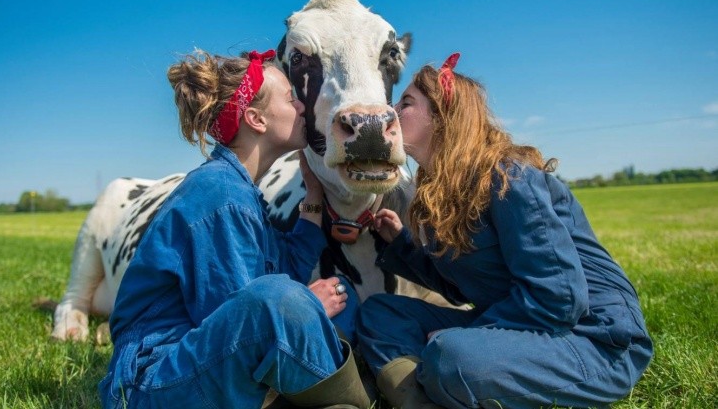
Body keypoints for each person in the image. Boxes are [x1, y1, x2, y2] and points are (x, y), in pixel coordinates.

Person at [357, 53, 653, 409]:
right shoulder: (443, 192)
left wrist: (469, 334)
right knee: (380, 313)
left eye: (405, 103)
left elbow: (559, 298)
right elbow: (456, 287)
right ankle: (418, 397)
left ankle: (438, 377)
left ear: (441, 117)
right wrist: (401, 243)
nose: (391, 111)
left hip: (593, 340)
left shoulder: (508, 179)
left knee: (453, 357)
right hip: (522, 326)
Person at [98, 49, 369, 409]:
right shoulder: (220, 195)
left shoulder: (240, 191)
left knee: (338, 289)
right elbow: (237, 314)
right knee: (280, 300)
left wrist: (313, 198)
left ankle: (334, 394)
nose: (302, 107)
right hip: (155, 383)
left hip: (200, 367)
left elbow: (284, 263)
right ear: (256, 119)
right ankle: (346, 396)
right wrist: (308, 305)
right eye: (291, 99)